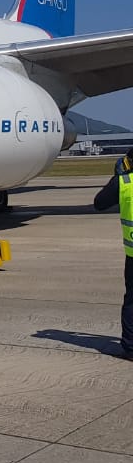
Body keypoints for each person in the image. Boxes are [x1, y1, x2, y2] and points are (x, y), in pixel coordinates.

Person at [94, 147, 133, 359]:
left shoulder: (124, 183)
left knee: (132, 302)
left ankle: (131, 348)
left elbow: (99, 203)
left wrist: (118, 177)